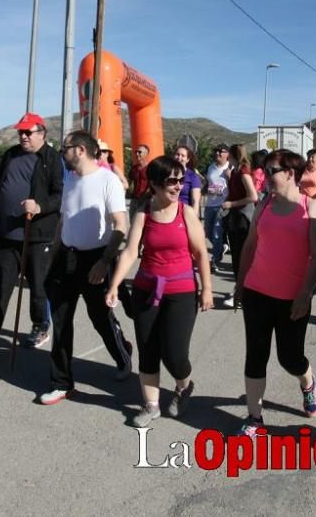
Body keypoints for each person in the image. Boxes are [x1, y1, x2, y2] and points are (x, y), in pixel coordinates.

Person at [106, 156, 213, 426]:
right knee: (148, 349)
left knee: (176, 354)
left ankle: (183, 385)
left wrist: (207, 290)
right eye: (171, 181)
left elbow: (200, 253)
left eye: (181, 180)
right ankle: (150, 405)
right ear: (154, 184)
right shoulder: (143, 212)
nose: (178, 186)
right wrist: (115, 284)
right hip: (146, 289)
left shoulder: (185, 212)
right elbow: (131, 252)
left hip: (182, 291)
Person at [234, 150, 316, 437]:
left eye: (271, 170)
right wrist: (240, 284)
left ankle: (308, 383)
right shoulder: (264, 205)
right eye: (264, 169)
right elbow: (250, 245)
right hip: (257, 292)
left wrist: (305, 294)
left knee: (290, 357)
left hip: (292, 298)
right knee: (256, 354)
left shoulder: (311, 208)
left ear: (290, 173)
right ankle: (254, 417)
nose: (264, 175)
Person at [39, 130, 133, 406]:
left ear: (79, 150)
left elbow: (120, 226)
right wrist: (53, 255)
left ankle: (121, 354)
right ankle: (61, 383)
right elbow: (63, 221)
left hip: (96, 259)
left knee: (100, 318)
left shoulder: (109, 181)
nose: (62, 154)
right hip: (66, 257)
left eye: (65, 149)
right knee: (61, 319)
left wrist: (105, 262)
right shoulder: (70, 179)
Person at [0, 113, 63, 352]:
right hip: (5, 235)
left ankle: (40, 326)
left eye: (27, 132)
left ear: (42, 133)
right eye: (20, 132)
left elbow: (60, 195)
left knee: (38, 287)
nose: (23, 136)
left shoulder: (52, 159)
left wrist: (40, 206)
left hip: (38, 235)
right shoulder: (10, 154)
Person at [221, 144, 258, 307]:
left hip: (243, 218)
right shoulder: (235, 171)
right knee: (236, 256)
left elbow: (253, 196)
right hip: (235, 217)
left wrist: (231, 204)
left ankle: (242, 292)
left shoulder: (243, 172)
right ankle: (241, 289)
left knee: (242, 257)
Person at [203, 144, 232, 273]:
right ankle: (222, 246)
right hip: (209, 204)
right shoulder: (211, 167)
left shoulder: (230, 168)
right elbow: (208, 184)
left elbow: (235, 186)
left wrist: (230, 176)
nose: (218, 154)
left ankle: (215, 259)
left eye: (221, 151)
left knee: (216, 234)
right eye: (216, 151)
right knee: (208, 232)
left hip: (223, 206)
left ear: (227, 154)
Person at [173, 145, 203, 210]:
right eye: (177, 154)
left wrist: (194, 218)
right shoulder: (168, 173)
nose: (179, 157)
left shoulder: (193, 176)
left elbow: (195, 201)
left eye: (183, 156)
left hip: (184, 212)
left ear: (187, 160)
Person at [128, 144, 151, 218]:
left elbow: (153, 185)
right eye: (136, 152)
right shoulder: (134, 169)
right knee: (132, 222)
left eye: (139, 152)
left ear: (146, 154)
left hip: (147, 200)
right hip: (134, 200)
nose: (137, 154)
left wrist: (145, 197)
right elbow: (130, 182)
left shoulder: (151, 168)